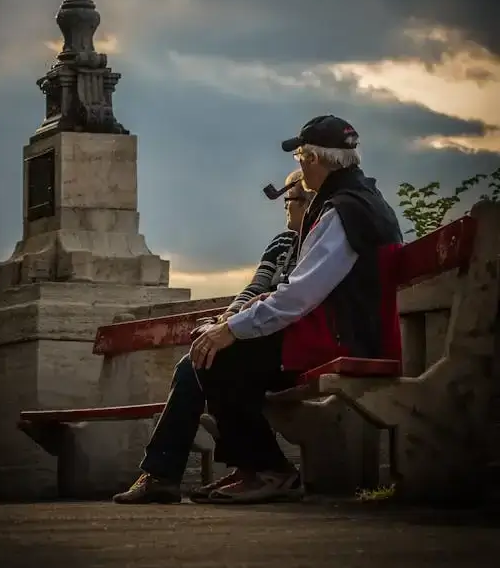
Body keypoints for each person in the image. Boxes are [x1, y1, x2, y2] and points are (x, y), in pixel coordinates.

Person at [184, 114, 403, 504]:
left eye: (300, 157)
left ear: (314, 159)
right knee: (223, 353)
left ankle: (269, 471)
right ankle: (252, 468)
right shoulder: (360, 200)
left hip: (344, 339)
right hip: (352, 330)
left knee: (217, 355)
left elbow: (298, 295)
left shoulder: (341, 211)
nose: (299, 167)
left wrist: (230, 328)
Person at [112, 170, 312, 505]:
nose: (284, 207)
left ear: (308, 202)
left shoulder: (317, 245)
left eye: (289, 199)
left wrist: (234, 325)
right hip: (256, 340)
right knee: (194, 361)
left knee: (207, 361)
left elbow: (291, 299)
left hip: (285, 348)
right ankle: (166, 475)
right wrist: (226, 318)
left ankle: (257, 469)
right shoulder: (282, 243)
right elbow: (255, 287)